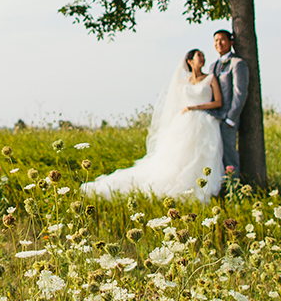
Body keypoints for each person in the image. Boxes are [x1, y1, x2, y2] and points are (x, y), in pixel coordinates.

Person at [82, 49, 225, 201]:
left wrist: (195, 108)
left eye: (203, 55)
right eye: (199, 56)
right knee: (178, 156)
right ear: (190, 62)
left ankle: (203, 187)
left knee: (202, 154)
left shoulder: (210, 78)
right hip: (185, 123)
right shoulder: (184, 82)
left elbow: (218, 102)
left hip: (204, 121)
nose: (202, 58)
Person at [208, 29, 249, 183]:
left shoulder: (237, 64)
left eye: (222, 40)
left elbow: (240, 93)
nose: (219, 43)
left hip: (228, 119)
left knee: (229, 154)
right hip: (213, 118)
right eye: (216, 40)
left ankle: (234, 189)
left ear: (231, 42)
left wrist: (231, 118)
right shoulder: (213, 66)